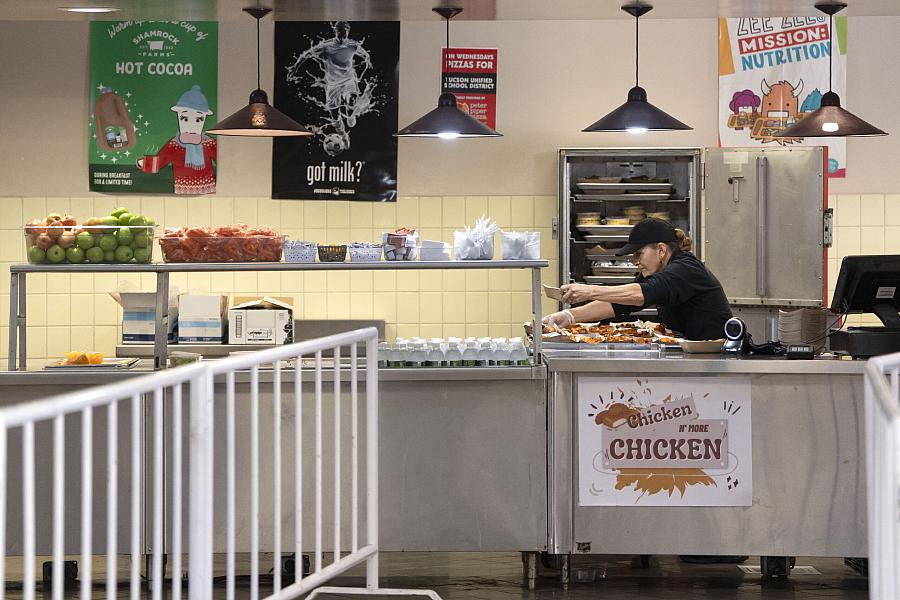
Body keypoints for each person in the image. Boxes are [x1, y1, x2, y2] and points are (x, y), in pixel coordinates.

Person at [543, 218, 732, 341]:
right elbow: (618, 304)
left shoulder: (684, 268)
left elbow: (641, 294)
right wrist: (569, 317)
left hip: (715, 355)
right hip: (694, 352)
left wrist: (589, 290)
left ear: (661, 250)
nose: (635, 262)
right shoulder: (655, 271)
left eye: (638, 254)